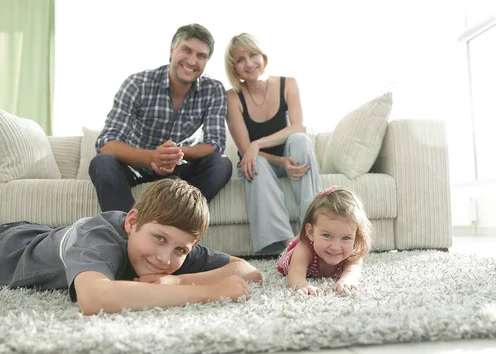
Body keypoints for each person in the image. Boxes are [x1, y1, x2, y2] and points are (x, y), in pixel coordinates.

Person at [0, 178, 262, 315]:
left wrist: (179, 282)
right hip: (9, 243)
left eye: (181, 250)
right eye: (159, 238)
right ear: (132, 222)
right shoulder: (99, 237)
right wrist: (207, 292)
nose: (163, 259)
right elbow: (93, 298)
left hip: (44, 234)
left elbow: (248, 270)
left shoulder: (171, 248)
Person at [89, 24, 232, 212]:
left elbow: (215, 144)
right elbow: (106, 143)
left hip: (180, 168)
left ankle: (178, 220)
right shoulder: (137, 84)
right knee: (102, 162)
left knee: (221, 164)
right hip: (137, 164)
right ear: (172, 51)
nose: (192, 60)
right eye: (186, 50)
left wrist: (175, 153)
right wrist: (153, 157)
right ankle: (127, 228)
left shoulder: (213, 90)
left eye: (201, 56)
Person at [224, 33, 322, 254]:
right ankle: (287, 244)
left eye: (253, 55)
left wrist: (257, 143)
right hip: (260, 165)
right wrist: (272, 157)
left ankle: (314, 229)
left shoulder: (288, 84)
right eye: (240, 60)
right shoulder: (232, 97)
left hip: (292, 157)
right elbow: (245, 150)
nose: (248, 64)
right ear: (234, 68)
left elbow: (298, 127)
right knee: (253, 159)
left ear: (263, 57)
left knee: (300, 140)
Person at [276, 186, 373, 295]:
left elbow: (353, 271)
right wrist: (303, 285)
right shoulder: (304, 248)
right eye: (327, 235)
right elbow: (295, 272)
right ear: (311, 232)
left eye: (346, 238)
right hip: (299, 252)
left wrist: (346, 281)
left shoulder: (353, 252)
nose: (335, 247)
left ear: (356, 236)